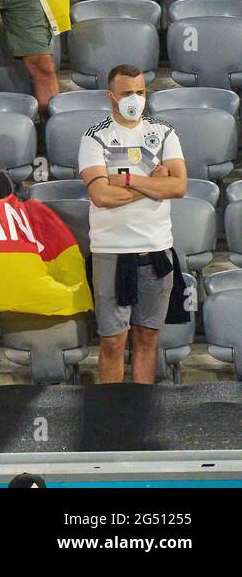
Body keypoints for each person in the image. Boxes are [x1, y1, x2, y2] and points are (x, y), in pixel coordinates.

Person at [79, 66, 188, 385]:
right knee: (113, 341)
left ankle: (140, 413)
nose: (134, 100)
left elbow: (178, 188)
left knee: (147, 338)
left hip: (155, 251)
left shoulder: (165, 133)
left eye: (140, 93)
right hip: (110, 253)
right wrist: (150, 183)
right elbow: (100, 195)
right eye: (127, 93)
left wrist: (126, 179)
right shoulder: (94, 136)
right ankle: (112, 415)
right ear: (110, 96)